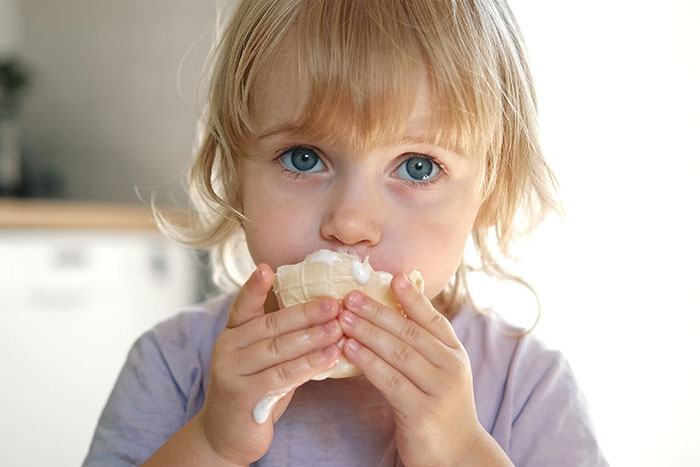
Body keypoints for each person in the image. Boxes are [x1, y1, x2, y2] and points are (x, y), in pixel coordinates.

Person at [83, 0, 607, 465]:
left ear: (489, 193)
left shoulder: (529, 386)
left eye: (418, 167)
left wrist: (461, 453)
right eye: (304, 157)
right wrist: (213, 446)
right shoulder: (174, 364)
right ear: (234, 172)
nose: (350, 223)